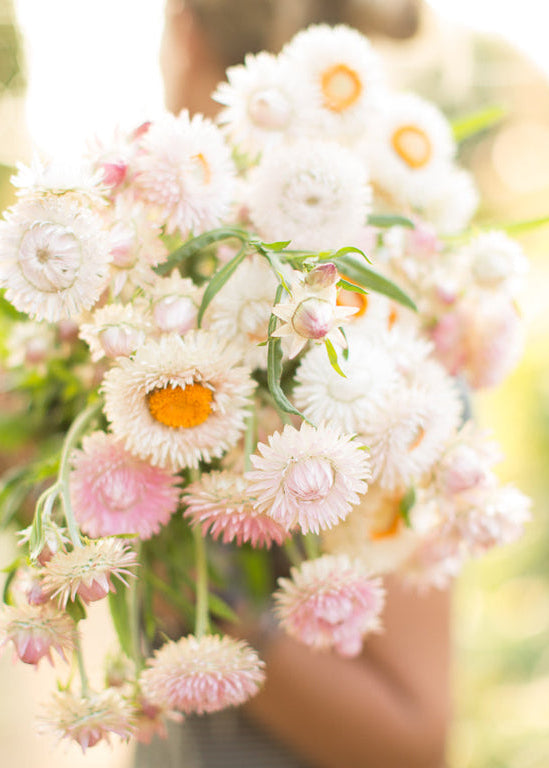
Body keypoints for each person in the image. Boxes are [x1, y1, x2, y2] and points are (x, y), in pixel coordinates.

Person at [136, 3, 452, 768]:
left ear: (183, 29)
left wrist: (206, 617)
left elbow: (413, 737)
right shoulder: (148, 287)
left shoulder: (365, 341)